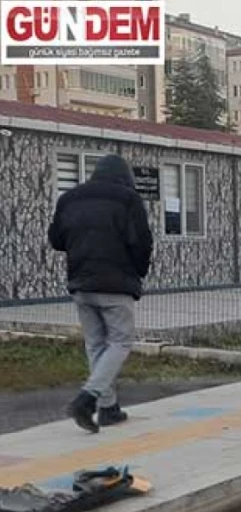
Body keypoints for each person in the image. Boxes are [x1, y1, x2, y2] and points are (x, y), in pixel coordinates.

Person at [48, 154, 153, 433]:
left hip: (81, 283)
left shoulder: (69, 199)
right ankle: (88, 398)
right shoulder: (127, 200)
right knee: (120, 342)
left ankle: (108, 409)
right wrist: (137, 273)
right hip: (116, 285)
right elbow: (142, 242)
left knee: (96, 344)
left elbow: (56, 240)